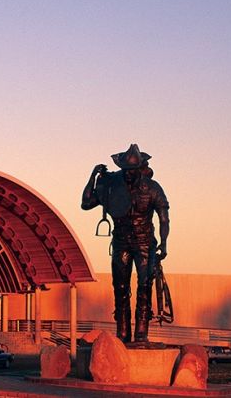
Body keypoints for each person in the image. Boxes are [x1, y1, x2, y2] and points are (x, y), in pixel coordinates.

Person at [81, 144, 169, 343]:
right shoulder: (112, 186)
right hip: (121, 242)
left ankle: (141, 333)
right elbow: (86, 203)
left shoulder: (153, 188)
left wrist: (163, 243)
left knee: (144, 286)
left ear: (140, 168)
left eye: (132, 170)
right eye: (126, 170)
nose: (129, 174)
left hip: (145, 242)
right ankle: (122, 332)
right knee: (120, 287)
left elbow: (164, 218)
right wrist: (93, 177)